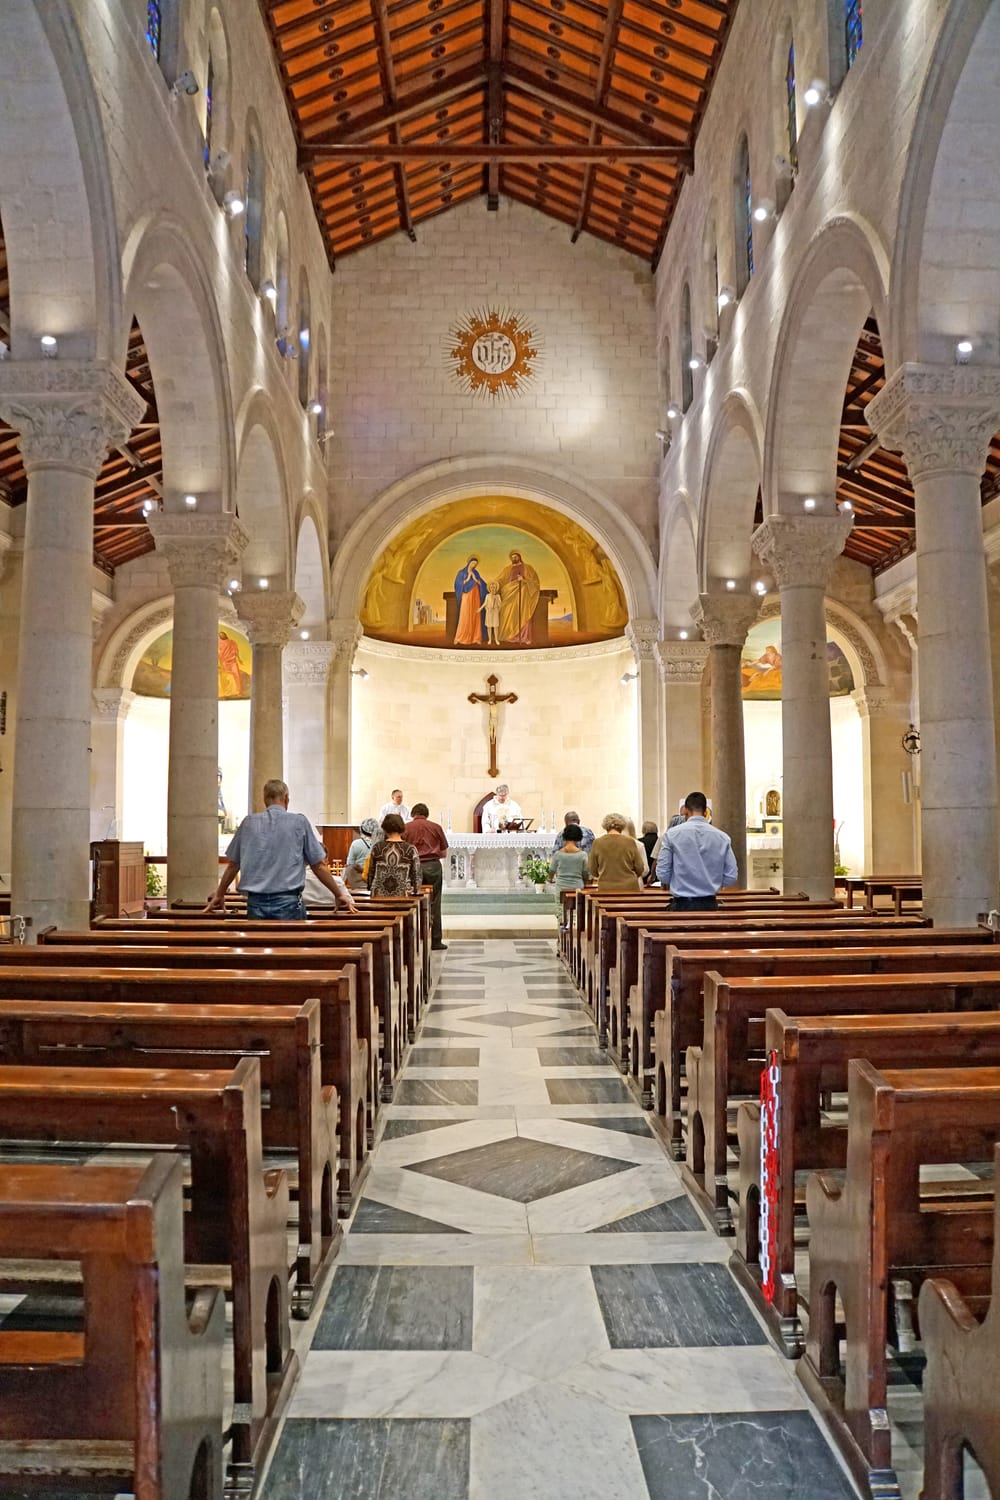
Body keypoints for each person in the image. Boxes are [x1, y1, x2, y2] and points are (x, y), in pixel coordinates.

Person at [206, 778, 358, 919]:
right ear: (286, 798)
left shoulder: (248, 823)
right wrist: (338, 894)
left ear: (265, 800)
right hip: (289, 903)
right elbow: (318, 865)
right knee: (290, 946)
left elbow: (233, 865)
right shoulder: (299, 822)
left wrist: (220, 893)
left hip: (255, 903)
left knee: (259, 945)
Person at [655, 790, 738, 910]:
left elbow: (663, 874)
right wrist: (712, 882)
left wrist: (678, 881)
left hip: (681, 905)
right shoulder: (722, 837)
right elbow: (731, 876)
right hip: (710, 904)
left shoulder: (672, 835)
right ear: (705, 812)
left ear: (686, 812)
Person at [405, 802, 449, 950]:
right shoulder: (436, 827)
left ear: (412, 814)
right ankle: (436, 941)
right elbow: (444, 853)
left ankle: (413, 941)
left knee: (412, 902)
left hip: (413, 866)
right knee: (435, 903)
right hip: (433, 866)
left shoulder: (405, 828)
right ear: (427, 814)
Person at [588, 812, 647, 892]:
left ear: (605, 826)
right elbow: (640, 867)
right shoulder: (630, 842)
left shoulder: (597, 843)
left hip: (606, 888)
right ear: (622, 826)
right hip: (629, 888)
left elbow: (592, 869)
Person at [368, 813, 422, 897]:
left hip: (379, 895)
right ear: (402, 828)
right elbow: (417, 874)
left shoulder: (377, 847)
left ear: (384, 828)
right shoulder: (410, 849)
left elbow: (371, 871)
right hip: (403, 896)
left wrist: (370, 887)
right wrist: (416, 889)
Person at [496, 550, 541, 644]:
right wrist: (495, 585)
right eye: (512, 557)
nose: (514, 559)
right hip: (509, 593)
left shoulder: (528, 568)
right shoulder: (507, 569)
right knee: (507, 612)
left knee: (523, 612)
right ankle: (509, 635)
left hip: (523, 593)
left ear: (519, 557)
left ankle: (524, 637)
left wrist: (524, 579)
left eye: (515, 557)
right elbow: (500, 580)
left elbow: (535, 582)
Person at [548, 823, 589, 916]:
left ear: (564, 837)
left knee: (561, 913)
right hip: (577, 887)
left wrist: (549, 879)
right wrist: (586, 882)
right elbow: (586, 873)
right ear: (579, 837)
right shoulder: (582, 855)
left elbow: (551, 870)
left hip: (561, 887)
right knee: (576, 914)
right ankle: (574, 929)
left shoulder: (558, 854)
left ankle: (562, 928)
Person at [453, 555, 487, 645]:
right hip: (466, 596)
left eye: (475, 564)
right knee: (465, 615)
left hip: (475, 596)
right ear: (469, 563)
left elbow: (481, 583)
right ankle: (460, 637)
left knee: (475, 615)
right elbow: (458, 584)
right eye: (472, 563)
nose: (473, 565)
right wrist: (467, 579)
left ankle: (476, 637)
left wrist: (477, 580)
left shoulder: (476, 573)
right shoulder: (461, 573)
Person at [344, 817, 379, 891]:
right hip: (376, 882)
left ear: (362, 830)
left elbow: (349, 864)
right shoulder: (380, 844)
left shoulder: (356, 844)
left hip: (359, 883)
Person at [481, 580, 501, 645]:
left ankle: (496, 639)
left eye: (494, 588)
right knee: (489, 627)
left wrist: (497, 609)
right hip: (489, 613)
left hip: (495, 613)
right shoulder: (487, 596)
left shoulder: (498, 596)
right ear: (490, 589)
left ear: (496, 589)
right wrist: (480, 608)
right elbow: (485, 603)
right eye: (492, 587)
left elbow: (500, 605)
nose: (493, 589)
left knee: (495, 627)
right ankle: (489, 639)